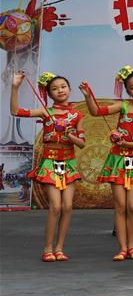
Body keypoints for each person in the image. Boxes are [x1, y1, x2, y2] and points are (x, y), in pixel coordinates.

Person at [82, 67, 133, 261]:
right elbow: (96, 111)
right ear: (128, 91)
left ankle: (132, 247)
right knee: (120, 206)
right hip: (117, 160)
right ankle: (122, 248)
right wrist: (87, 95)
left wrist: (127, 143)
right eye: (132, 87)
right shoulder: (123, 106)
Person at [11, 71, 85, 262]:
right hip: (50, 162)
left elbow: (82, 143)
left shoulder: (77, 114)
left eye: (63, 87)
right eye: (54, 89)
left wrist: (70, 136)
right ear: (49, 94)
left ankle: (59, 248)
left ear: (69, 89)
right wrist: (15, 87)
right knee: (55, 206)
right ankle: (47, 248)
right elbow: (15, 111)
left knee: (67, 207)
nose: (60, 90)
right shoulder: (46, 112)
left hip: (68, 163)